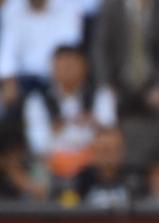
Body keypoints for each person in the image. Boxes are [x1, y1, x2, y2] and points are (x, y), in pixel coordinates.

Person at [90, 0, 159, 166]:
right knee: (104, 110)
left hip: (151, 83)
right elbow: (100, 49)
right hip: (118, 83)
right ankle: (111, 175)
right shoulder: (111, 8)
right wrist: (105, 84)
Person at [22, 44, 116, 185]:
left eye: (72, 64)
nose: (67, 70)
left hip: (92, 164)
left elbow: (109, 132)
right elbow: (39, 144)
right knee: (38, 169)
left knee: (109, 148)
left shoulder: (101, 94)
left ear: (84, 66)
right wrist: (60, 130)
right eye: (62, 65)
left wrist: (92, 123)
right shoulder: (37, 100)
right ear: (52, 67)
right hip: (54, 165)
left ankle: (106, 193)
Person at [0, 0, 86, 99]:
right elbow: (7, 52)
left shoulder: (68, 7)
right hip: (24, 80)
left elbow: (70, 49)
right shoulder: (12, 8)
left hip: (57, 77)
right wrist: (8, 80)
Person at [68, 126, 142, 206]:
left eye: (113, 150)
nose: (107, 156)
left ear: (122, 152)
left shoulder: (135, 180)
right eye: (102, 150)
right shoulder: (79, 181)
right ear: (93, 153)